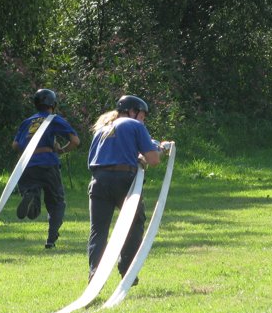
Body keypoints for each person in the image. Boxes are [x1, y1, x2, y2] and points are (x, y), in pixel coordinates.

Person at [86, 95, 167, 285]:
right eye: (142, 115)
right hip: (124, 179)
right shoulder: (135, 125)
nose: (143, 119)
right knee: (135, 223)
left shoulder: (101, 129)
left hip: (98, 180)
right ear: (132, 111)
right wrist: (161, 150)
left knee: (98, 230)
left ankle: (94, 273)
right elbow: (153, 160)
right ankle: (127, 269)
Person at [12, 88, 80, 248]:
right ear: (53, 104)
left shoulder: (27, 122)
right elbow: (75, 141)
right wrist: (61, 150)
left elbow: (15, 145)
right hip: (48, 163)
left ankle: (30, 194)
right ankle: (51, 240)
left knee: (33, 206)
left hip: (27, 164)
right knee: (56, 202)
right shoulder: (53, 119)